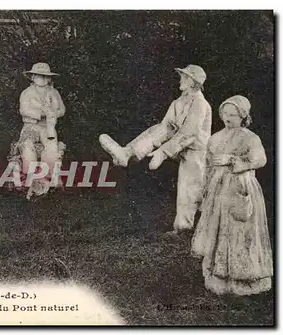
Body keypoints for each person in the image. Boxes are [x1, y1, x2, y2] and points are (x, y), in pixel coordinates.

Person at [99, 65, 212, 235]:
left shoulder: (200, 104)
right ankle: (127, 154)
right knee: (157, 128)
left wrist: (163, 152)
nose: (181, 79)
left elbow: (190, 133)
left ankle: (186, 228)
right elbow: (166, 126)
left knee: (192, 189)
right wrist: (151, 147)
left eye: (185, 77)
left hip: (197, 151)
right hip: (178, 144)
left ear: (193, 82)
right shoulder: (179, 102)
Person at [191, 95, 272, 296]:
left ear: (242, 116)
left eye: (232, 115)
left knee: (240, 230)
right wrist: (206, 186)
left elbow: (260, 159)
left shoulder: (250, 137)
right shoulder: (215, 138)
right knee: (218, 230)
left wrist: (235, 161)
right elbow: (208, 164)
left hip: (240, 187)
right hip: (219, 190)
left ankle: (243, 279)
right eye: (225, 114)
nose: (227, 118)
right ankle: (218, 276)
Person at [8, 62, 66, 199]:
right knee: (28, 147)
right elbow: (24, 110)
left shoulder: (54, 92)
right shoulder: (27, 93)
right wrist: (41, 113)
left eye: (46, 77)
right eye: (40, 76)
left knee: (52, 149)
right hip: (31, 126)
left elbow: (62, 110)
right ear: (33, 77)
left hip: (48, 127)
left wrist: (53, 114)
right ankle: (28, 180)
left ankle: (48, 180)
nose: (43, 79)